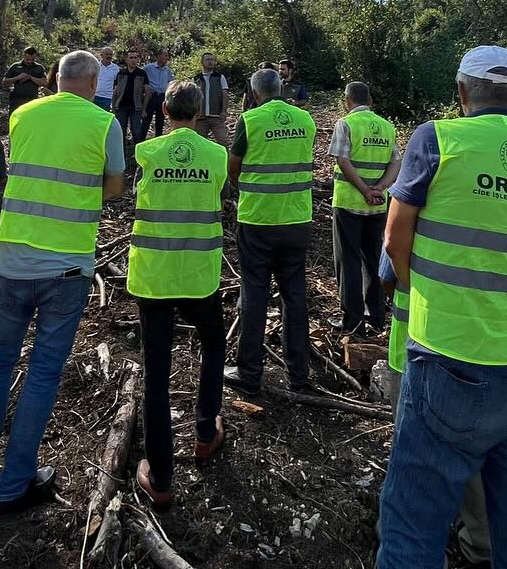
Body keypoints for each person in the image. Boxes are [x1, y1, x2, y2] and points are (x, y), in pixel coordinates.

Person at [376, 45, 507, 569]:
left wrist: (415, 290)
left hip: (450, 360)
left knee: (411, 529)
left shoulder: (438, 138)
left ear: (462, 93)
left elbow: (396, 239)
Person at [0, 50, 125, 514]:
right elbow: (113, 187)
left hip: (12, 257)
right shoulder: (103, 123)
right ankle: (14, 484)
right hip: (68, 265)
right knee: (44, 371)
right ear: (93, 83)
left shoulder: (22, 114)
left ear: (54, 78)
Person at [127, 81, 230, 507]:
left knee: (156, 368)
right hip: (198, 274)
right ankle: (206, 432)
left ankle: (162, 477)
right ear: (199, 111)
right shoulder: (216, 154)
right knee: (213, 346)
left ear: (165, 109)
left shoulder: (147, 152)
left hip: (154, 276)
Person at [380, 250, 492, 568]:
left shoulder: (419, 200)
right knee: (473, 449)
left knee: (414, 459)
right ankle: (481, 542)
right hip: (487, 351)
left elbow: (388, 270)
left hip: (419, 345)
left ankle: (414, 547)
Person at [224, 67, 317, 395]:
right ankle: (299, 374)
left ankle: (249, 375)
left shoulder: (250, 120)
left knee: (254, 295)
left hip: (258, 220)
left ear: (253, 91)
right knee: (294, 296)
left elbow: (233, 168)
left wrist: (245, 188)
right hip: (297, 219)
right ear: (281, 88)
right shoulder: (305, 121)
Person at [328, 82, 401, 334]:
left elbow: (342, 160)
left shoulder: (345, 124)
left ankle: (353, 321)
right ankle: (377, 315)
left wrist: (363, 189)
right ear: (370, 101)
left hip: (349, 202)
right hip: (378, 206)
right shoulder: (387, 126)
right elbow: (395, 163)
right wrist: (379, 188)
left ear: (347, 100)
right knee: (372, 259)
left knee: (348, 261)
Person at [113, 50, 150, 157]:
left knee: (137, 133)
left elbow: (148, 91)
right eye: (131, 57)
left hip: (136, 108)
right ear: (126, 59)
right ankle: (120, 156)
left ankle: (138, 156)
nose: (133, 60)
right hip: (121, 107)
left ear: (138, 59)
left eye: (135, 58)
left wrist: (144, 109)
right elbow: (115, 91)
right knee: (120, 132)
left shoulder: (142, 73)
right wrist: (114, 106)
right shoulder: (121, 73)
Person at [193, 52, 231, 146]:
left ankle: (226, 160)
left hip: (217, 117)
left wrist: (224, 112)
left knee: (223, 141)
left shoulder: (220, 77)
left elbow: (225, 94)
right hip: (200, 118)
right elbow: (193, 97)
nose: (210, 62)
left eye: (212, 60)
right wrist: (195, 114)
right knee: (199, 143)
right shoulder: (196, 79)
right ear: (202, 62)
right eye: (207, 59)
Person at [3, 47, 48, 112]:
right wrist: (18, 77)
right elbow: (4, 83)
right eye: (27, 59)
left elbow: (44, 82)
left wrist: (30, 77)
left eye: (32, 59)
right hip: (16, 101)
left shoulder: (39, 68)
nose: (30, 61)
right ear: (23, 56)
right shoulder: (15, 66)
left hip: (32, 101)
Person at [143, 49, 174, 138]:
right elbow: (141, 78)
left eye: (167, 56)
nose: (167, 58)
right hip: (151, 97)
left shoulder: (167, 71)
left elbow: (171, 82)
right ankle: (140, 140)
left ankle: (158, 138)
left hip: (162, 97)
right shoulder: (148, 68)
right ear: (159, 56)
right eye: (165, 56)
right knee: (146, 119)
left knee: (160, 120)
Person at [93, 46, 120, 111]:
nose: (109, 56)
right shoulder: (95, 66)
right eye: (107, 54)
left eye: (110, 54)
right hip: (95, 96)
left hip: (107, 98)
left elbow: (116, 84)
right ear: (101, 55)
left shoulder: (115, 68)